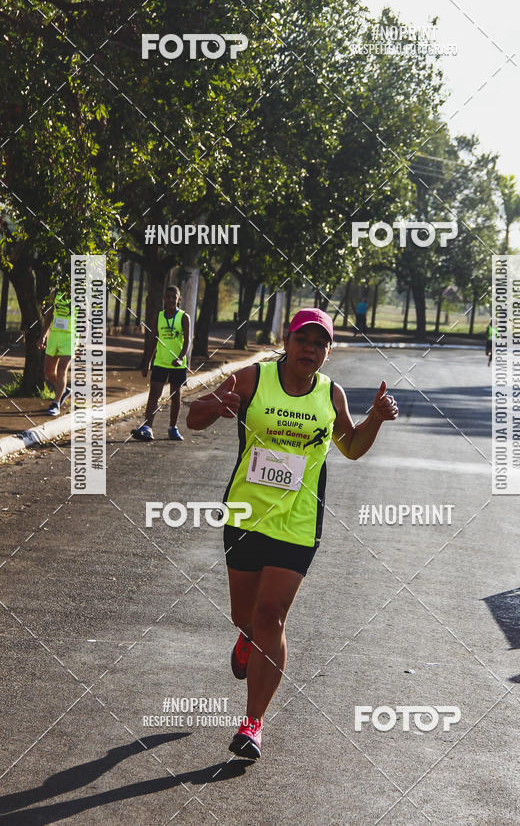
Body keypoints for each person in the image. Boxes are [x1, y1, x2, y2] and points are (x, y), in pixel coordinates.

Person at [186, 308, 398, 760]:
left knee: (272, 616)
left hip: (299, 523)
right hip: (245, 516)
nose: (311, 349)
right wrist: (216, 407)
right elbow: (194, 419)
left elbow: (352, 447)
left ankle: (252, 724)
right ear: (288, 339)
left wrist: (375, 418)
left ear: (328, 351)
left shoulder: (331, 394)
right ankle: (245, 636)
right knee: (246, 615)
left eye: (320, 343)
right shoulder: (252, 379)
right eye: (304, 339)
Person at [131, 285, 191, 441]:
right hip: (161, 362)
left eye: (174, 297)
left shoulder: (184, 317)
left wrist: (180, 358)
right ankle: (147, 427)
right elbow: (153, 340)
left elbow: (187, 341)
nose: (171, 300)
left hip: (177, 364)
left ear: (179, 299)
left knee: (175, 395)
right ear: (164, 299)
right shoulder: (159, 316)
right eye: (168, 297)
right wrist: (147, 362)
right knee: (154, 395)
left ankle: (173, 427)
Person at [36, 290, 73, 417]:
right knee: (49, 371)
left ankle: (56, 403)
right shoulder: (56, 293)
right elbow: (49, 315)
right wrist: (43, 336)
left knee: (62, 368)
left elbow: (85, 320)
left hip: (71, 337)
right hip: (55, 335)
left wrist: (83, 343)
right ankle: (63, 390)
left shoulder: (81, 295)